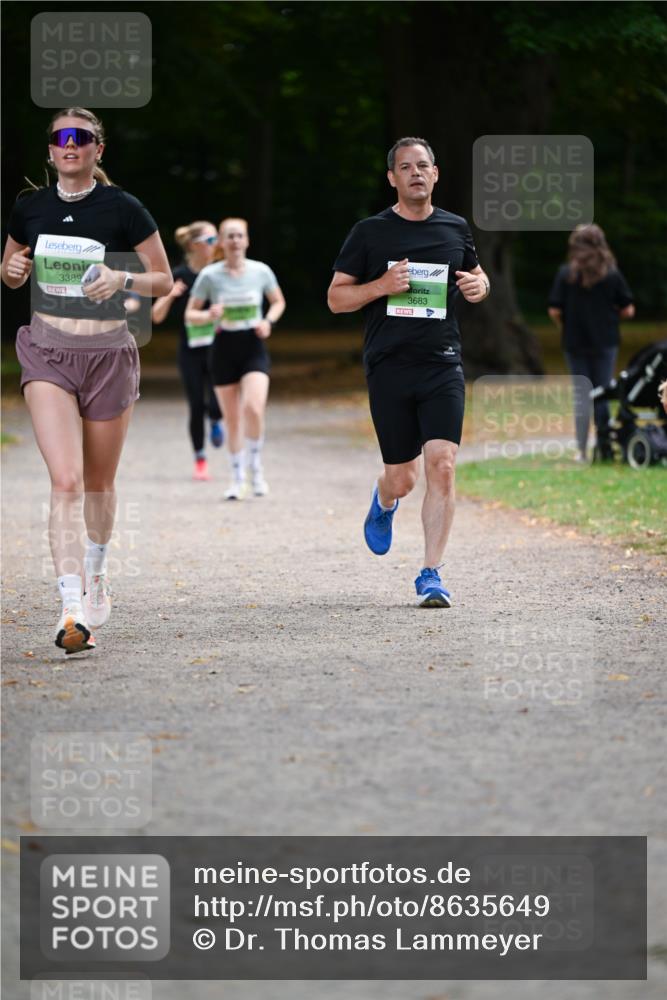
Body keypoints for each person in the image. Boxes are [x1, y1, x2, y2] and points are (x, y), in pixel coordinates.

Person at [1, 107, 172, 654]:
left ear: (99, 148)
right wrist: (11, 271)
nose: (70, 145)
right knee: (67, 482)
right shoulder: (30, 207)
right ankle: (70, 609)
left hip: (107, 355)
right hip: (48, 353)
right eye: (61, 138)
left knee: (98, 484)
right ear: (50, 149)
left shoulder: (123, 207)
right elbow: (10, 269)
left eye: (81, 137)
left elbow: (164, 280)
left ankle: (96, 570)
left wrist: (121, 278)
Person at [328, 137, 489, 608]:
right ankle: (384, 499)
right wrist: (380, 285)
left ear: (435, 174)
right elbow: (336, 298)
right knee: (403, 478)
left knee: (443, 464)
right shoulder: (369, 233)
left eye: (423, 165)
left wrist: (480, 286)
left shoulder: (455, 228)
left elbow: (477, 276)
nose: (415, 172)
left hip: (442, 363)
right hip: (389, 367)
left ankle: (431, 573)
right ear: (392, 178)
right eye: (405, 167)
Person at [185, 217, 286, 499]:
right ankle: (237, 478)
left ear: (247, 240)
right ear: (221, 241)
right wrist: (208, 314)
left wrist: (268, 321)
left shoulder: (260, 271)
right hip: (223, 349)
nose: (235, 241)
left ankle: (256, 469)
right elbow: (190, 314)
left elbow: (278, 302)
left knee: (253, 408)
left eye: (240, 235)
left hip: (253, 345)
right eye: (229, 236)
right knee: (232, 419)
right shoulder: (210, 275)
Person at [548, 224, 635, 462]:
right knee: (602, 392)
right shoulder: (612, 274)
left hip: (574, 342)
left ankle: (581, 451)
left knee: (582, 396)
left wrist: (565, 325)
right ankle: (605, 446)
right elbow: (628, 309)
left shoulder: (566, 274)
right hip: (605, 341)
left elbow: (555, 310)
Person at [151, 221, 224, 481]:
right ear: (194, 245)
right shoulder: (179, 275)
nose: (217, 245)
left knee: (217, 400)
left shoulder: (220, 273)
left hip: (218, 348)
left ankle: (216, 419)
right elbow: (156, 316)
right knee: (196, 404)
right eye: (211, 240)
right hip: (190, 350)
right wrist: (170, 295)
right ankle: (200, 459)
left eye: (217, 239)